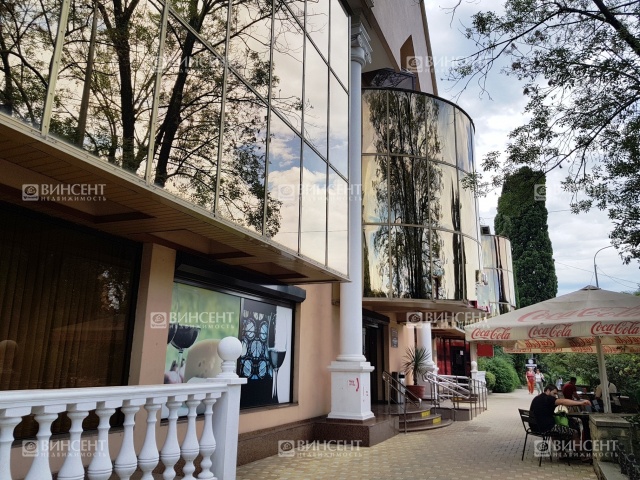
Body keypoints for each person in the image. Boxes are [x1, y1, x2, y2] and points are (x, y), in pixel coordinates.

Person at [529, 384, 592, 461]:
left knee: (556, 433)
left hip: (535, 427)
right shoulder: (547, 398)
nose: (555, 396)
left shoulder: (537, 398)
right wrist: (580, 402)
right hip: (547, 428)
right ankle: (584, 456)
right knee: (574, 432)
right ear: (548, 391)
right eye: (554, 393)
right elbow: (562, 401)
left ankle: (561, 454)